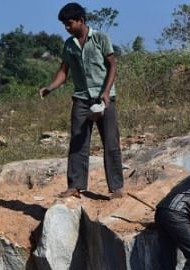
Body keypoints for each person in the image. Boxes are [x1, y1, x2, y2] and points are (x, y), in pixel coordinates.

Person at [39, 2, 124, 199]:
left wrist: (106, 91)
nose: (67, 28)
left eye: (69, 23)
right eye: (65, 25)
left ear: (81, 21)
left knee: (111, 142)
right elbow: (63, 71)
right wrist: (50, 87)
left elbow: (112, 66)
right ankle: (75, 186)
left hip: (104, 98)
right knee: (78, 143)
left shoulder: (101, 38)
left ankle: (117, 188)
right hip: (81, 99)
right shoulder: (69, 45)